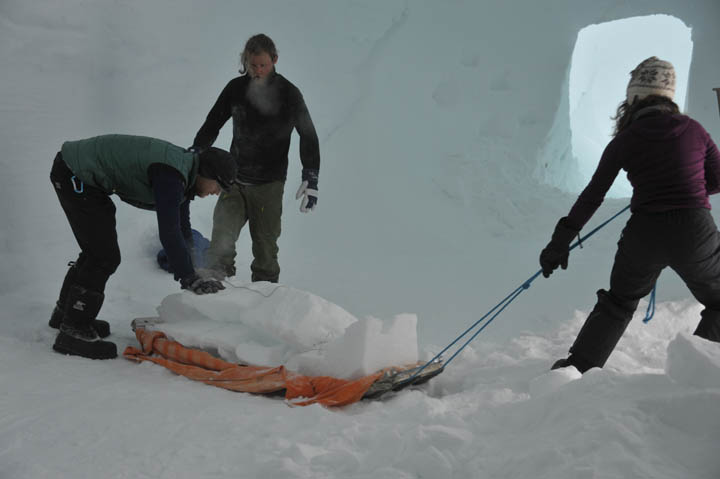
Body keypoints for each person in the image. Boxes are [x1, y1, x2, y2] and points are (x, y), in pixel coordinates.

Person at [540, 57, 720, 373]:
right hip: (694, 232)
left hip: (644, 234)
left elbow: (592, 195)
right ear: (669, 96)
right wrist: (686, 182)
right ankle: (700, 372)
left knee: (619, 303)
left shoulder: (626, 139)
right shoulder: (695, 131)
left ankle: (575, 370)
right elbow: (718, 180)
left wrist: (560, 241)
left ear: (633, 96)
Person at [50, 134, 238, 360]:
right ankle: (74, 330)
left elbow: (182, 228)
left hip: (80, 173)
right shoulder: (172, 175)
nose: (216, 192)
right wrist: (189, 277)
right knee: (103, 256)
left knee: (97, 251)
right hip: (75, 173)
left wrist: (196, 268)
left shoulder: (184, 173)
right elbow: (169, 232)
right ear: (206, 173)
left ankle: (65, 314)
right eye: (218, 185)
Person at [190, 33, 320, 283]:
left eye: (263, 65)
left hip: (268, 184)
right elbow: (213, 123)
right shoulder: (236, 89)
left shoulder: (289, 93)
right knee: (221, 240)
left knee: (265, 248)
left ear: (274, 60)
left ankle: (264, 297)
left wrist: (311, 176)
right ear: (245, 62)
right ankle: (213, 290)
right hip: (234, 180)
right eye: (253, 65)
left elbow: (308, 135)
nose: (258, 70)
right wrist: (196, 152)